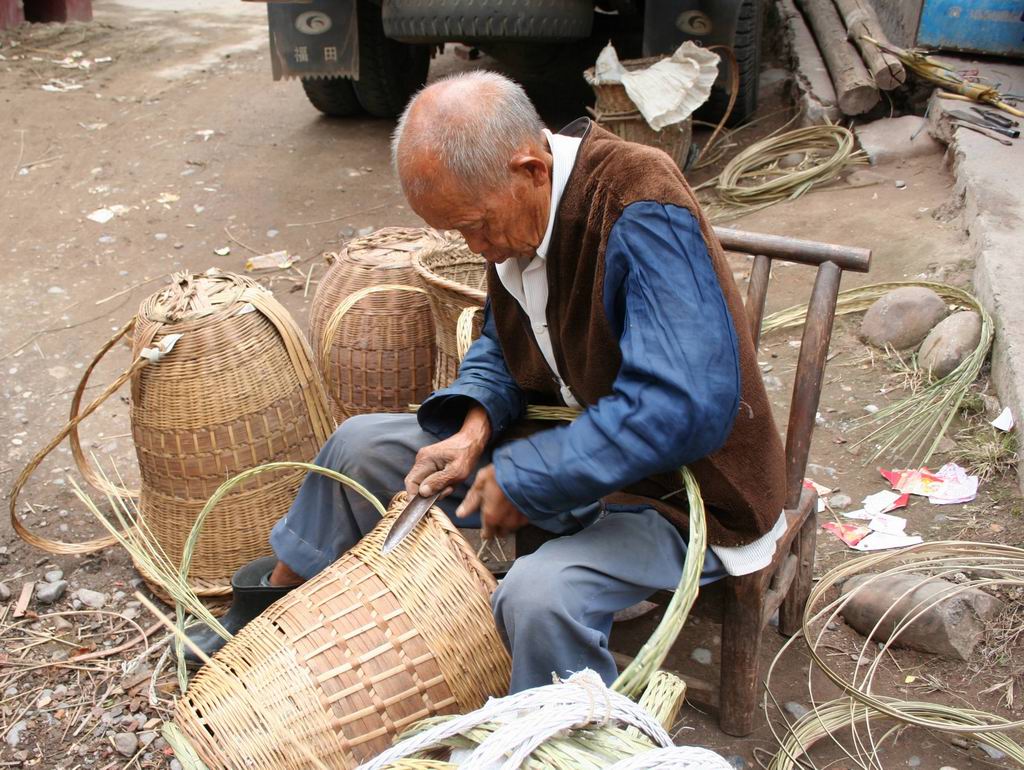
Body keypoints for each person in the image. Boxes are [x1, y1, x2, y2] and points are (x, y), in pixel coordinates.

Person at [186, 71, 788, 693]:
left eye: (475, 226)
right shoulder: (517, 219)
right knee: (358, 447)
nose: (476, 250)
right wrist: (473, 431)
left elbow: (686, 406)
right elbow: (503, 341)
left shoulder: (641, 204)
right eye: (458, 233)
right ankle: (270, 616)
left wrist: (534, 474)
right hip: (577, 449)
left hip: (684, 499)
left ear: (530, 168)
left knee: (537, 595)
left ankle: (561, 737)